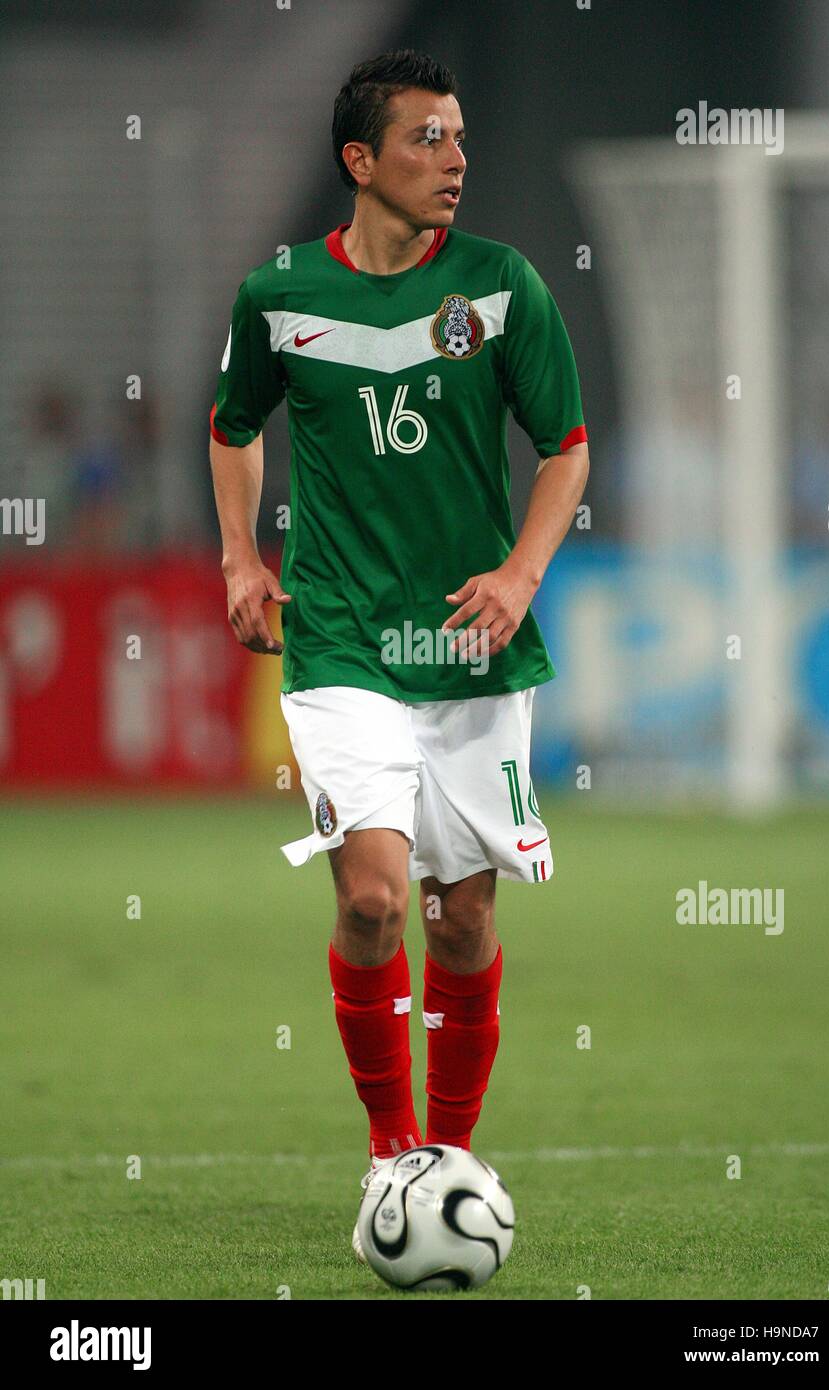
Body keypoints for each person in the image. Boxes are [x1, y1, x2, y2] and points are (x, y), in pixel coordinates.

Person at [208, 49, 589, 1258]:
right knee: (373, 895)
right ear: (359, 162)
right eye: (428, 139)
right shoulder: (274, 294)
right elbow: (231, 426)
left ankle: (455, 1150)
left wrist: (522, 574)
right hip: (337, 639)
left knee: (460, 920)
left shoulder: (503, 287)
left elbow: (567, 448)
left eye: (462, 138)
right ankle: (392, 1159)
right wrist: (236, 556)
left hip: (470, 649)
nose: (456, 160)